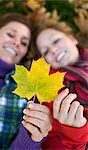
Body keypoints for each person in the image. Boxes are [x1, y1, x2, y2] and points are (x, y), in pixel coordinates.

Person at [0, 13, 52, 149]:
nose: (17, 43)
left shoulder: (28, 94)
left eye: (24, 43)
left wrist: (31, 137)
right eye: (11, 35)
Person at [31, 16, 88, 149]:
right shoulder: (49, 95)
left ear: (72, 38)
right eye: (45, 51)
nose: (53, 50)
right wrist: (73, 133)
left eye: (56, 41)